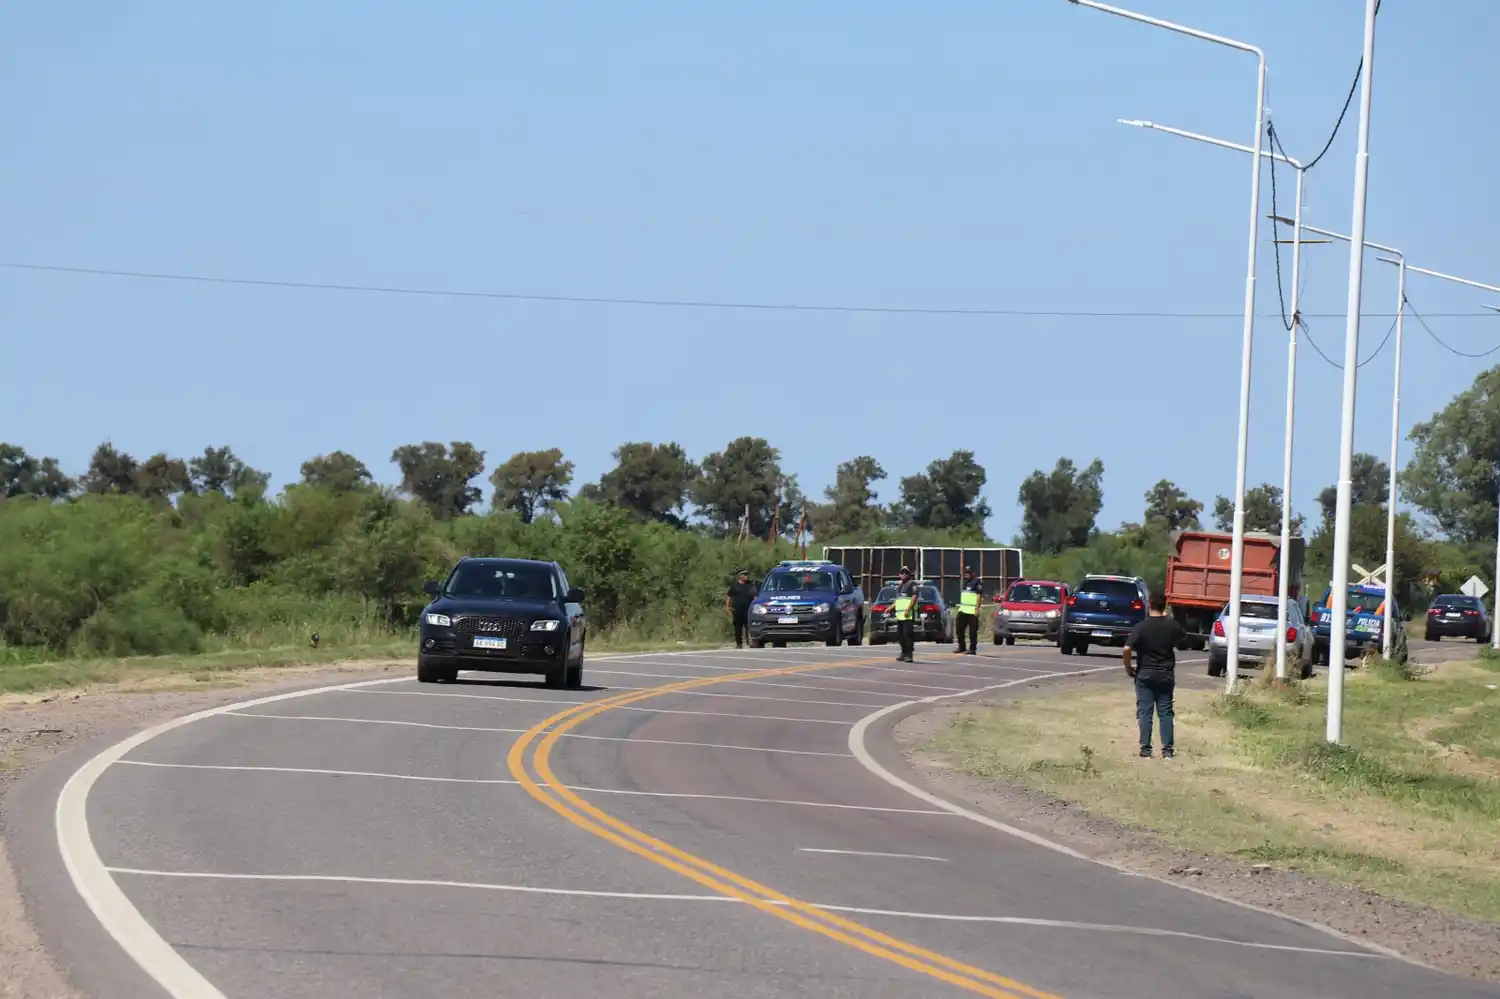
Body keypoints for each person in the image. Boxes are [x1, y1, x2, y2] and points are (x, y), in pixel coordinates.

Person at [1123, 590, 1186, 759]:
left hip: (1145, 673)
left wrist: (1128, 667)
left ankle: (1145, 749)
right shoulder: (1172, 625)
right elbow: (1182, 643)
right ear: (1165, 605)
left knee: (1145, 712)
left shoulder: (1141, 627)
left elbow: (1127, 648)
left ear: (1149, 604)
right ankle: (1167, 751)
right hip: (1165, 673)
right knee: (1165, 712)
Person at [891, 566, 919, 663]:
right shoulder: (899, 586)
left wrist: (908, 609)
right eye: (902, 573)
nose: (903, 575)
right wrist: (890, 607)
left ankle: (909, 655)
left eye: (905, 573)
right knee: (900, 636)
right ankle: (903, 653)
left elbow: (914, 597)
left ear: (909, 574)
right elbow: (898, 600)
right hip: (900, 616)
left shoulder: (912, 584)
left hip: (908, 615)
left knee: (907, 635)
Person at [952, 567, 983, 655]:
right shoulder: (965, 582)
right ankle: (961, 647)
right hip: (963, 610)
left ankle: (972, 649)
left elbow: (979, 596)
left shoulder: (977, 582)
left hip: (972, 611)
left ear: (973, 573)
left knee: (972, 631)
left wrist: (977, 609)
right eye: (966, 572)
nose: (967, 574)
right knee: (959, 629)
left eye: (969, 573)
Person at [724, 569, 758, 648]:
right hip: (737, 610)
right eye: (745, 574)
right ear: (740, 575)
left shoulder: (750, 585)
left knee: (749, 626)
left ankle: (750, 642)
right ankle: (739, 643)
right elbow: (729, 596)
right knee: (738, 628)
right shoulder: (734, 586)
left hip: (748, 610)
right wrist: (727, 607)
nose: (746, 576)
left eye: (747, 574)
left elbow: (755, 595)